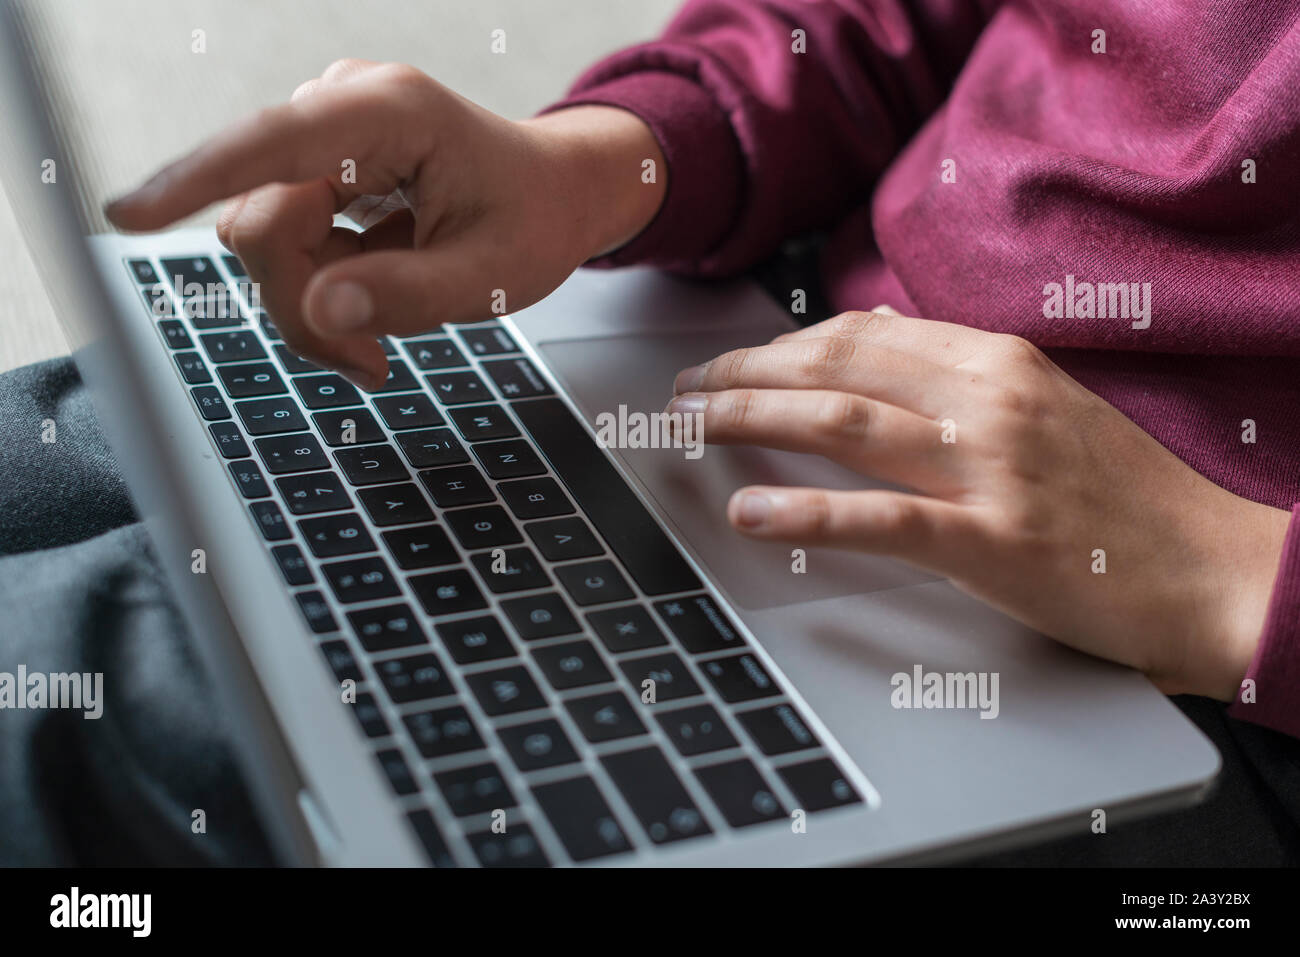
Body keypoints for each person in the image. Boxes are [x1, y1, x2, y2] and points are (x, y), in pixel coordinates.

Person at [104, 0, 1300, 860]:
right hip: (760, 314)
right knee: (92, 448)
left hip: (1177, 676)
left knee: (99, 713)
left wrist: (1243, 583)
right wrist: (611, 163)